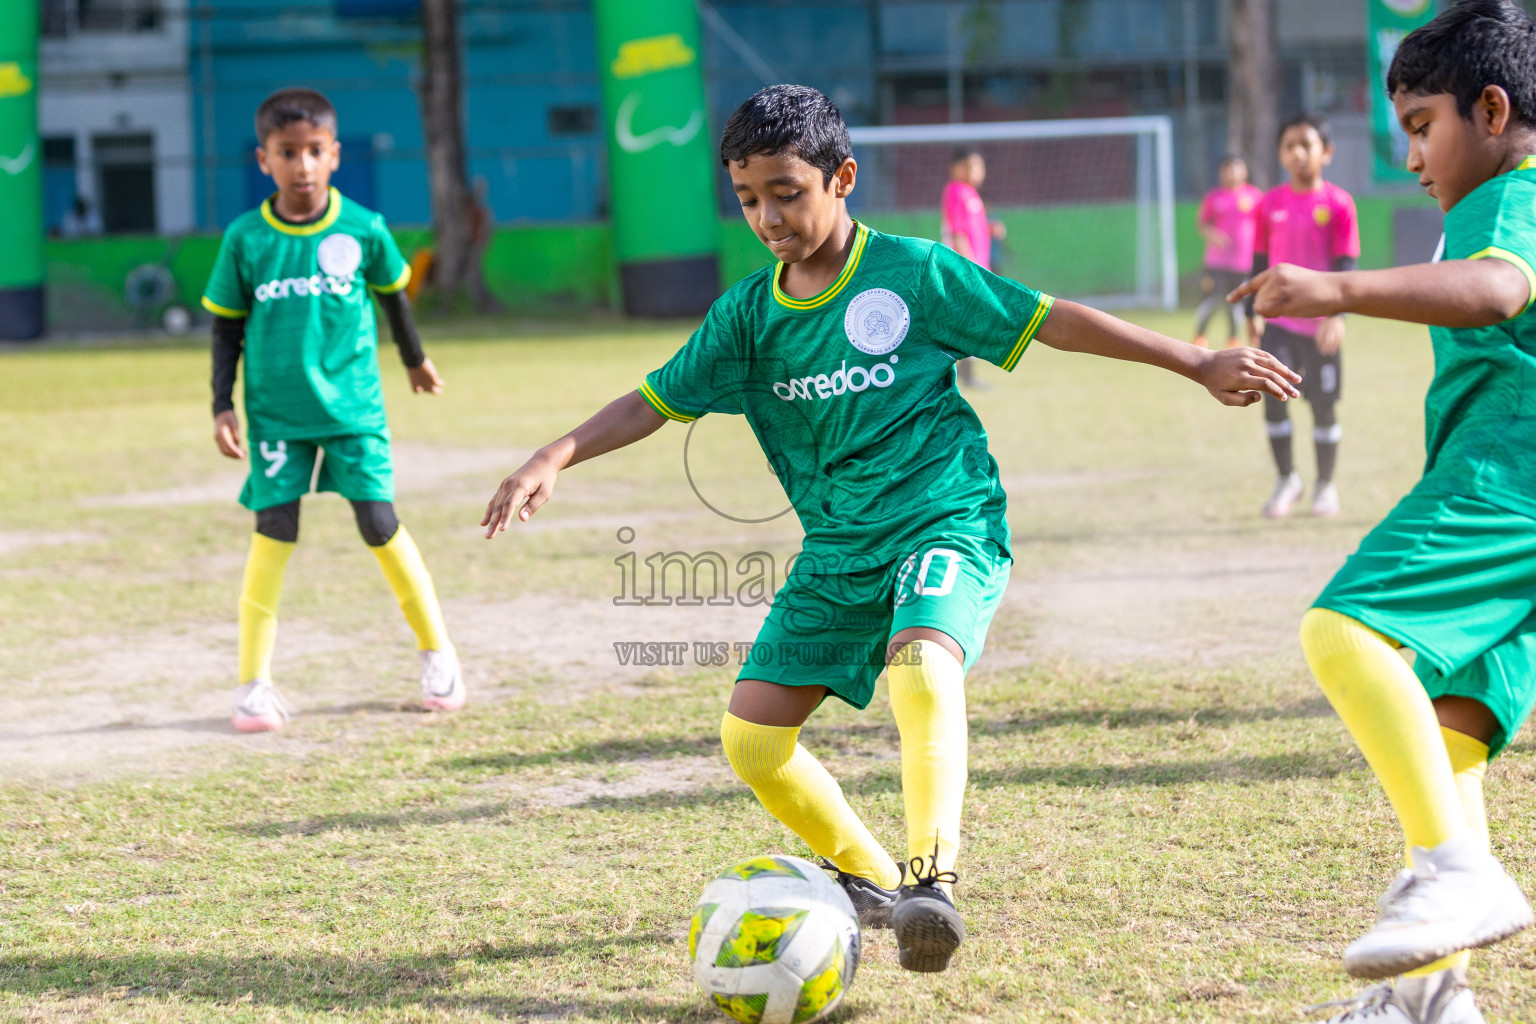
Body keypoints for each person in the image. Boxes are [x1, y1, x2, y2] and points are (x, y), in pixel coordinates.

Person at [484, 85, 1300, 974]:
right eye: (748, 198)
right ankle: (880, 888)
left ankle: (933, 880)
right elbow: (654, 400)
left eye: (787, 193)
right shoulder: (747, 320)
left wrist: (1195, 359)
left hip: (945, 517)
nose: (767, 217)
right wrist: (553, 456)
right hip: (838, 549)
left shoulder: (913, 274)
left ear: (842, 177)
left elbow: (1049, 320)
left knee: (921, 662)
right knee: (752, 740)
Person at [1232, 2, 1536, 1019]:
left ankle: (1464, 875)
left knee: (1344, 629)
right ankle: (1429, 998)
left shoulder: (1515, 194)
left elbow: (1495, 291)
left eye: (1420, 125)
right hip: (1503, 486)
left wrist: (1338, 289)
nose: (1410, 154)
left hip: (1508, 481)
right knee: (1448, 744)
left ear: (1491, 110)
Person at [201, 88, 465, 733]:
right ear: (264, 159)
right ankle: (252, 685)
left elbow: (394, 298)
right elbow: (226, 328)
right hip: (276, 415)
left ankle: (440, 657)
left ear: (334, 155)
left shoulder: (364, 228)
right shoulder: (245, 238)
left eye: (314, 151)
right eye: (287, 153)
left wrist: (414, 359)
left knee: (378, 523)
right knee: (273, 531)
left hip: (353, 411)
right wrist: (221, 406)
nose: (302, 166)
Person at [1247, 114, 1360, 519]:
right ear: (1280, 153)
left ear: (1325, 152)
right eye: (1289, 146)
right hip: (1277, 324)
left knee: (1323, 406)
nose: (1297, 153)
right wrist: (1252, 313)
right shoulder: (1269, 204)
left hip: (1320, 329)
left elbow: (1347, 266)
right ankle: (1286, 479)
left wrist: (1337, 316)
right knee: (1272, 402)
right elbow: (1258, 262)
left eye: (1306, 145)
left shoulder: (1339, 203)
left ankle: (1325, 487)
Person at [941, 147, 1006, 388]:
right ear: (954, 168)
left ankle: (965, 375)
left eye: (978, 166)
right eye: (968, 166)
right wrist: (970, 266)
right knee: (963, 322)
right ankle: (957, 376)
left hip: (975, 266)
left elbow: (972, 229)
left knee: (968, 322)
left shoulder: (971, 194)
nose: (974, 171)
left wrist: (990, 229)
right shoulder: (955, 191)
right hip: (964, 268)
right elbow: (957, 232)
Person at [1192, 156, 1262, 348]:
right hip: (1217, 262)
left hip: (1243, 263)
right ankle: (1199, 337)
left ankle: (1233, 340)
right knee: (1213, 300)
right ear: (1221, 172)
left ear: (1244, 171)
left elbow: (1263, 226)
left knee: (1236, 303)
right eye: (1228, 168)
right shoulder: (1214, 197)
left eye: (1236, 168)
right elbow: (1202, 225)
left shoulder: (1254, 196)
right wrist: (1215, 236)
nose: (1232, 172)